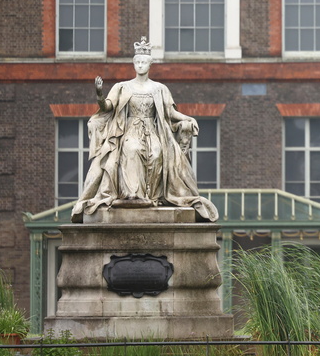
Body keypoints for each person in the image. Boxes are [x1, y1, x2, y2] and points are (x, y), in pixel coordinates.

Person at [71, 36, 218, 223]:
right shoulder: (122, 87)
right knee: (132, 150)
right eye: (138, 62)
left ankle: (151, 196)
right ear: (134, 64)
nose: (140, 65)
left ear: (150, 65)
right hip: (130, 130)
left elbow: (170, 112)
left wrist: (187, 118)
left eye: (144, 62)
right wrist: (99, 94)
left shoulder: (159, 88)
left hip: (152, 131)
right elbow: (107, 107)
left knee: (156, 154)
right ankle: (132, 195)